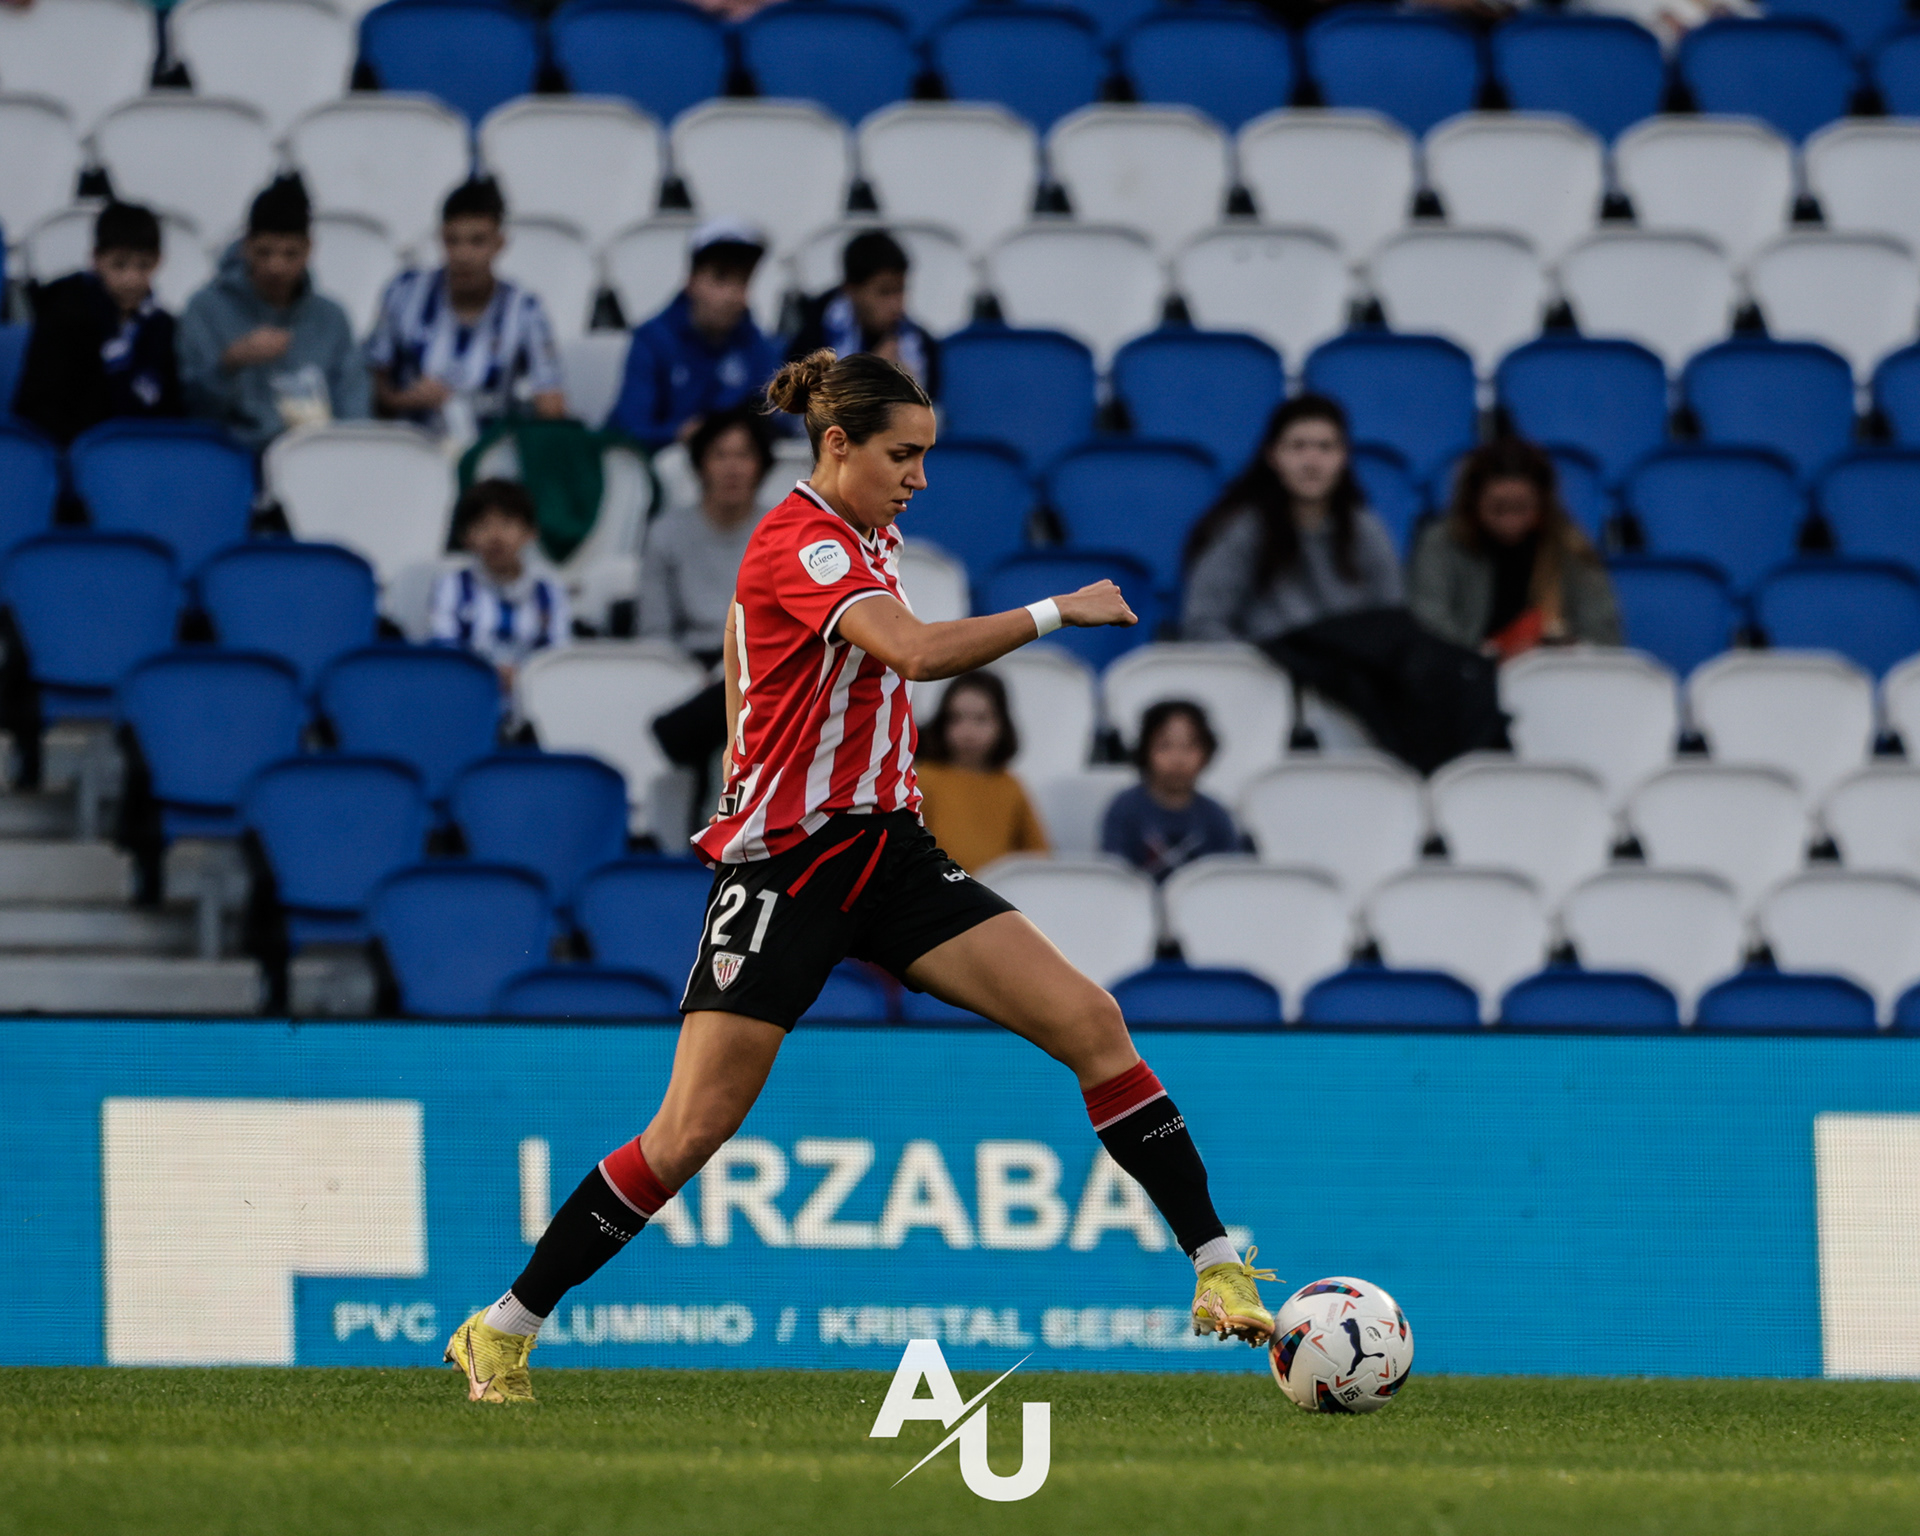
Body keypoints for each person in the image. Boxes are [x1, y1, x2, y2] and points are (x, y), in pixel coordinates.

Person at [444, 349, 1276, 1404]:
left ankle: (1215, 1266)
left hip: (887, 851)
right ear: (838, 445)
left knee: (1091, 1021)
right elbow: (915, 654)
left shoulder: (866, 538)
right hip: (788, 867)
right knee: (690, 1132)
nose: (919, 477)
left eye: (925, 455)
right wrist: (1057, 611)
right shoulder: (803, 542)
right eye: (903, 455)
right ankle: (504, 1328)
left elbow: (779, 674)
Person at [1182, 394, 1404, 644]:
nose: (1311, 462)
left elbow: (1393, 622)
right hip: (1261, 666)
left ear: (1344, 456)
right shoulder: (1242, 530)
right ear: (1272, 456)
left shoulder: (1367, 529)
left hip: (1349, 667)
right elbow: (1203, 623)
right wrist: (1253, 661)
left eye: (1325, 447)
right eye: (1298, 446)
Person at [176, 175, 370, 448]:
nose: (276, 267)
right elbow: (190, 413)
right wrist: (229, 363)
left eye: (290, 254)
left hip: (315, 456)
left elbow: (354, 414)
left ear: (309, 250)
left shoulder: (332, 319)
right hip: (232, 454)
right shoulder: (206, 309)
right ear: (246, 246)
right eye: (264, 252)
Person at [367, 178, 566, 442]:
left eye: (477, 241)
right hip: (410, 449)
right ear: (440, 239)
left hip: (491, 453)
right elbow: (369, 389)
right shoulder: (404, 293)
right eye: (453, 241)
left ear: (500, 243)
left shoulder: (526, 310)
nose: (463, 255)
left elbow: (552, 407)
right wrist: (404, 400)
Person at [1408, 437, 1623, 660]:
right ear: (1473, 502)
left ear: (1542, 503)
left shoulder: (1569, 546)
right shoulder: (1441, 543)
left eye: (1522, 508)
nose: (1510, 522)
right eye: (1498, 508)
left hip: (1552, 673)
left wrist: (1558, 651)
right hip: (1466, 671)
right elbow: (1428, 626)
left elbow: (1604, 635)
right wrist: (1492, 653)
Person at [12, 201, 183, 445]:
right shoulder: (64, 313)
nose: (131, 279)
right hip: (73, 452)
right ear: (96, 259)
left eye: (143, 265)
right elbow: (37, 405)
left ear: (158, 261)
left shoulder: (163, 327)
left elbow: (173, 408)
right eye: (119, 264)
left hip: (145, 452)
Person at [608, 219, 783, 450]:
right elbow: (629, 431)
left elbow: (781, 421)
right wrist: (680, 434)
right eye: (721, 278)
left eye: (742, 281)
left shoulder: (757, 344)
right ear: (691, 281)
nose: (732, 295)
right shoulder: (652, 341)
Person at [637, 405, 775, 663]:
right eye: (719, 456)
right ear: (700, 465)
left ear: (761, 466)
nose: (732, 469)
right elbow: (654, 633)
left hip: (763, 667)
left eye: (744, 455)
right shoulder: (666, 533)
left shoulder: (784, 533)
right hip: (685, 667)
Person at [429, 478, 571, 698]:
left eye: (506, 523)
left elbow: (558, 659)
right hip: (467, 697)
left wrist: (522, 677)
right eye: (482, 525)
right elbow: (445, 653)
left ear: (530, 532)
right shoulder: (451, 586)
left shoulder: (550, 593)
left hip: (533, 699)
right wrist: (489, 675)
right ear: (466, 537)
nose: (495, 536)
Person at [915, 670, 1049, 874]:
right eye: (956, 718)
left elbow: (1039, 857)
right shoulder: (924, 779)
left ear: (1002, 724)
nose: (967, 731)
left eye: (981, 719)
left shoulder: (1011, 786)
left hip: (999, 891)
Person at [1102, 700, 1247, 882]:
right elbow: (1115, 876)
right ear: (1145, 749)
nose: (1177, 759)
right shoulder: (1124, 809)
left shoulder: (1217, 816)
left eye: (1189, 746)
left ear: (1206, 753)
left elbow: (1229, 879)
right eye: (1165, 746)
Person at [789, 229, 939, 397]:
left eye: (900, 290)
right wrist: (869, 377)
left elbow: (933, 405)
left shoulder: (922, 345)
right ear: (851, 290)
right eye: (884, 292)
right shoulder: (812, 342)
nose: (896, 305)